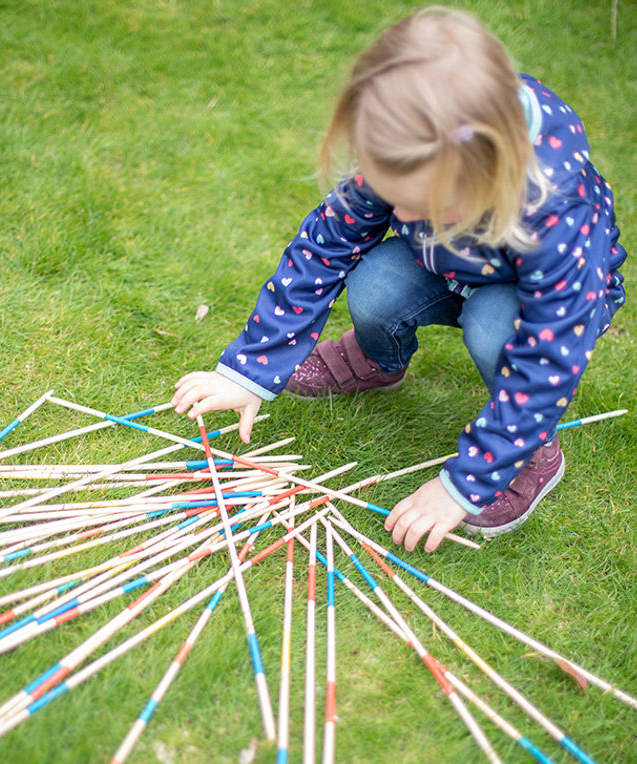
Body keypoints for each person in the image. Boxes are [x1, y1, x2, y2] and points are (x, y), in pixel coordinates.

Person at [172, 5, 626, 553]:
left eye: (418, 208)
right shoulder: (408, 144)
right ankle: (377, 360)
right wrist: (250, 370)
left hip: (531, 308)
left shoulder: (557, 213)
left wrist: (462, 488)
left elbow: (548, 359)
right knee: (375, 282)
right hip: (447, 265)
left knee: (495, 329)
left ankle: (530, 450)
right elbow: (324, 248)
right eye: (397, 204)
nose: (402, 220)